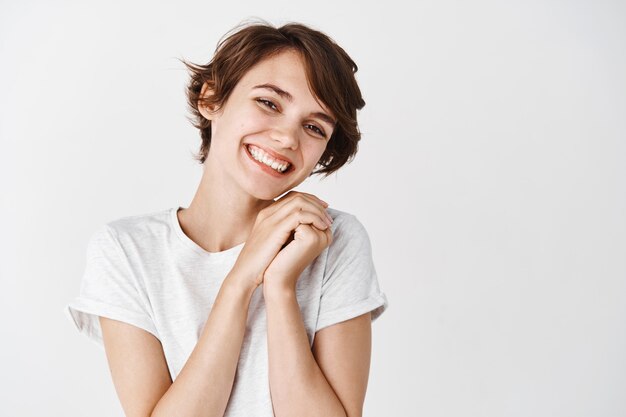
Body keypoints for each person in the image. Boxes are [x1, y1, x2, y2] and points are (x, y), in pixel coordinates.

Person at [65, 19, 388, 417]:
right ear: (211, 99)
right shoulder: (127, 251)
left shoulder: (333, 241)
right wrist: (240, 279)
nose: (288, 138)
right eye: (269, 103)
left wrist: (280, 286)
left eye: (313, 127)